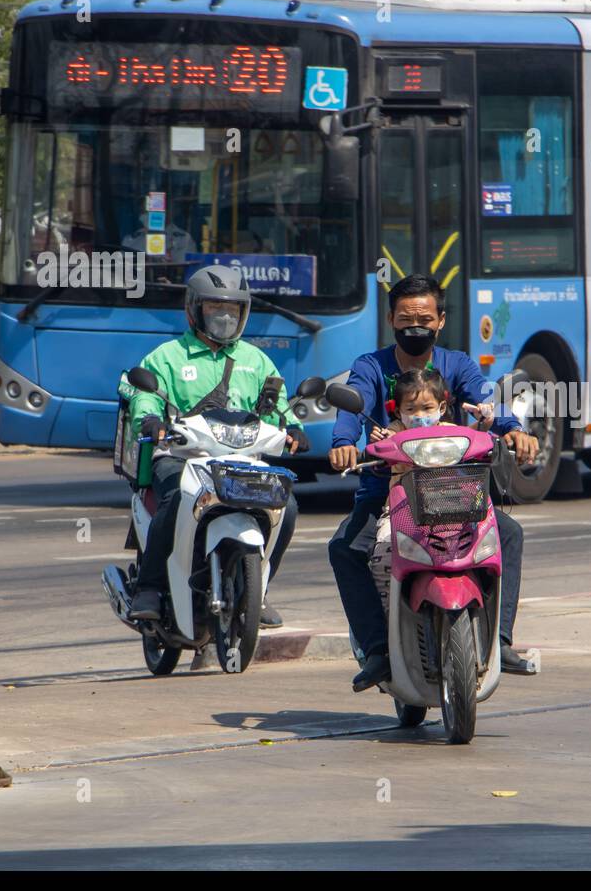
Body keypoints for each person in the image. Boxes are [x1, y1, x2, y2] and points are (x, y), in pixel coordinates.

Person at [328, 274, 539, 692]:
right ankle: (376, 650)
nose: (415, 327)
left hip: (457, 488)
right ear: (390, 319)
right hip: (386, 490)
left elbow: (485, 401)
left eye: (424, 318)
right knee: (345, 548)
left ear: (441, 320)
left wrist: (513, 428)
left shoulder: (458, 365)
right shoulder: (371, 367)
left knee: (510, 533)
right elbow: (351, 409)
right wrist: (342, 443)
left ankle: (499, 641)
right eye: (406, 318)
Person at [124, 264, 309, 628]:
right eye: (214, 308)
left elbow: (278, 407)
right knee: (175, 497)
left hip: (241, 459)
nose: (224, 316)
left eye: (233, 309)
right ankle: (149, 586)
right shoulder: (165, 357)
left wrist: (295, 430)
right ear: (193, 308)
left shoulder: (257, 361)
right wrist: (150, 420)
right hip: (181, 456)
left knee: (286, 506)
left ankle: (260, 589)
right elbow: (142, 396)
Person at [366, 367, 464, 620]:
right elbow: (380, 444)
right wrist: (381, 442)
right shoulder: (395, 431)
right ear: (399, 411)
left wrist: (486, 426)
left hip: (450, 507)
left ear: (441, 408)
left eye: (427, 408)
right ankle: (392, 618)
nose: (419, 415)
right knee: (382, 554)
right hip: (403, 509)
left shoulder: (451, 430)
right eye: (411, 409)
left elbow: (473, 440)